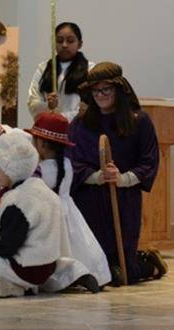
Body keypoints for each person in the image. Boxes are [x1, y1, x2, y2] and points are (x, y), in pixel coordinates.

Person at [0, 130, 97, 297]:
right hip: (45, 267)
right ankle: (13, 284)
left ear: (9, 168)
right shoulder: (43, 190)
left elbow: (8, 245)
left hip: (23, 268)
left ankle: (12, 286)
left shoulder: (17, 199)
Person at [68, 62, 160, 286]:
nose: (100, 95)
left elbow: (149, 162)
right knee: (98, 266)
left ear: (119, 89)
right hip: (89, 199)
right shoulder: (80, 124)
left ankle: (148, 263)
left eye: (106, 90)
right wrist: (97, 176)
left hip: (124, 199)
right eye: (95, 91)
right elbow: (71, 162)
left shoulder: (140, 122)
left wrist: (121, 178)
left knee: (121, 273)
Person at [27, 112, 111, 287]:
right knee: (79, 243)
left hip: (50, 215)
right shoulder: (66, 164)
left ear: (41, 144)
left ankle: (66, 277)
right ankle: (90, 272)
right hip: (70, 211)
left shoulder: (40, 170)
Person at [27, 22, 89, 120]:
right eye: (59, 41)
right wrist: (48, 106)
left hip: (77, 129)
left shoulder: (90, 69)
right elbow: (33, 102)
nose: (64, 45)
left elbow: (89, 106)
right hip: (48, 128)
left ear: (80, 44)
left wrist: (62, 118)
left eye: (70, 41)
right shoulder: (42, 69)